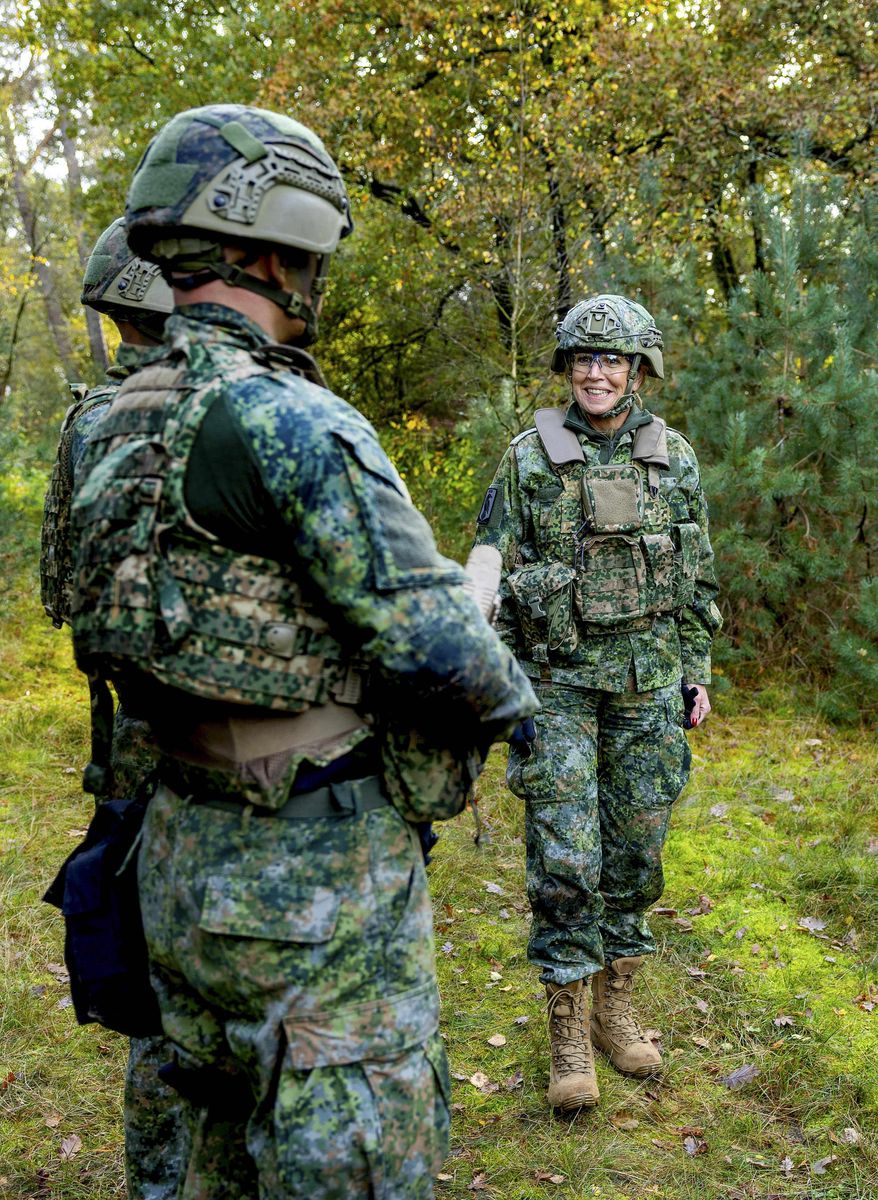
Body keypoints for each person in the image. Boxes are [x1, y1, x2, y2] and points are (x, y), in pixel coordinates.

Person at [68, 104, 537, 1198]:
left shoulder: (111, 419)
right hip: (310, 881)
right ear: (281, 245)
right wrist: (490, 641)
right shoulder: (288, 418)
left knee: (212, 1155)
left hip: (176, 854)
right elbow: (449, 656)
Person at [472, 294, 722, 1112]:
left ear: (639, 369)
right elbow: (489, 570)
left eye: (613, 360)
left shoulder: (673, 458)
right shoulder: (527, 458)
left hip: (648, 685)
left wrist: (696, 670)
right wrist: (494, 677)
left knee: (636, 858)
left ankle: (617, 1009)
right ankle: (568, 1033)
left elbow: (698, 580)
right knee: (566, 861)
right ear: (567, 367)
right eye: (584, 358)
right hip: (559, 685)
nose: (597, 373)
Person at [39, 219, 189, 1199]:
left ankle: (160, 1182)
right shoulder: (254, 408)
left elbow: (61, 593)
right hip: (255, 751)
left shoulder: (89, 425)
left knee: (154, 984)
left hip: (135, 742)